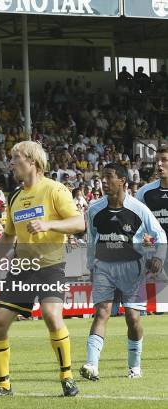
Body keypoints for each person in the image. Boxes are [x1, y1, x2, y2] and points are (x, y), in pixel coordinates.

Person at [0, 141, 85, 397]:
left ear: (33, 162)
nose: (11, 162)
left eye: (16, 157)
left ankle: (67, 377)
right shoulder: (15, 196)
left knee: (51, 315)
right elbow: (7, 237)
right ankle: (4, 385)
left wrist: (48, 225)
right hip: (21, 268)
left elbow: (79, 222)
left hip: (50, 266)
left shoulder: (55, 189)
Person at [81, 163, 166, 381]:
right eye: (102, 177)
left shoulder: (138, 209)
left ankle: (134, 367)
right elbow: (92, 240)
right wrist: (91, 265)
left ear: (122, 181)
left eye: (109, 177)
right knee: (102, 312)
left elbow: (160, 235)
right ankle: (91, 365)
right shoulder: (93, 209)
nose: (104, 182)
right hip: (104, 267)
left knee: (132, 317)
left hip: (132, 269)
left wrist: (158, 257)